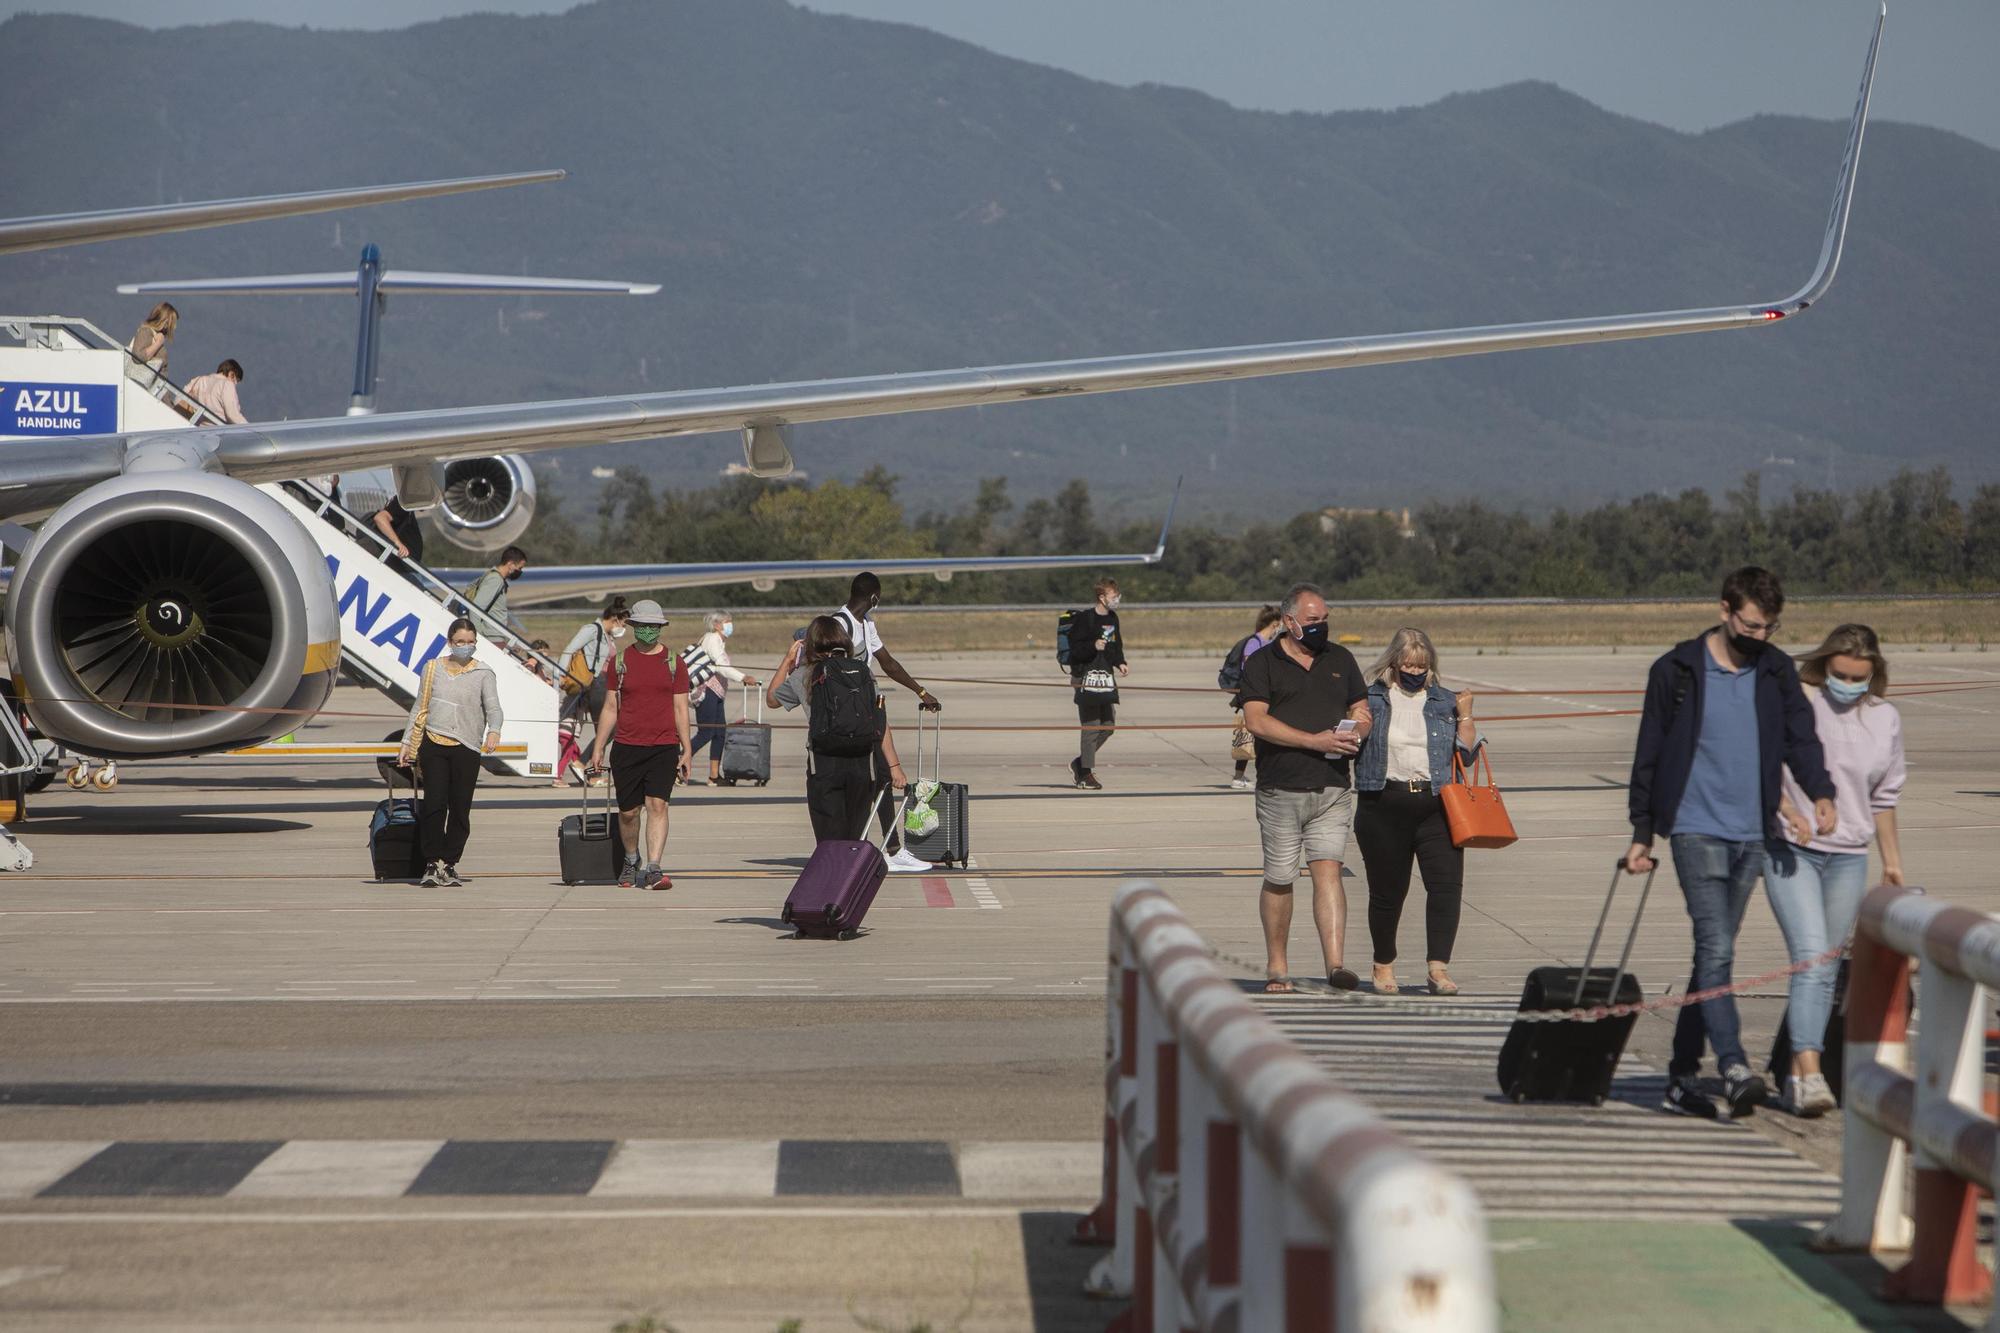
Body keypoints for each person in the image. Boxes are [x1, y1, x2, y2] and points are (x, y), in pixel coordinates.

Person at [1626, 566, 1837, 1120]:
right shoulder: (1676, 671)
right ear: (1724, 611)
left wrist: (1819, 791)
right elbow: (1648, 753)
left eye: (1769, 627)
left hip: (1753, 834)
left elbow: (1800, 736)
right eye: (1750, 625)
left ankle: (1678, 1078)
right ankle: (1736, 1064)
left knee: (1710, 956)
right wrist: (1642, 834)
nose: (1760, 636)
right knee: (1718, 948)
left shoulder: (1774, 671)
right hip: (1696, 829)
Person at [1768, 623, 1906, 1118]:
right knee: (1810, 955)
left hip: (1849, 854)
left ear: (1875, 675)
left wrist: (1891, 862)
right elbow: (1767, 762)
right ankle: (1809, 1072)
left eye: (1859, 678)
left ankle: (1796, 1073)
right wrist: (1786, 806)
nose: (1847, 685)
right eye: (1840, 674)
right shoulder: (1799, 700)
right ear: (1824, 665)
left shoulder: (1884, 718)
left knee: (1824, 964)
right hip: (1792, 847)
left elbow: (1884, 797)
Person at [1239, 582, 1371, 993]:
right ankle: (1277, 965)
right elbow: (1256, 721)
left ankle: (1336, 965)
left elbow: (1361, 707)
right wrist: (1314, 741)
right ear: (1290, 621)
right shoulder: (1262, 662)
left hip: (1333, 788)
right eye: (1313, 620)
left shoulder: (1341, 659)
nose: (1321, 626)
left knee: (1329, 871)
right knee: (1280, 876)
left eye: (1325, 619)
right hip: (1281, 788)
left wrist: (1359, 730)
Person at [1352, 628, 1481, 996]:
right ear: (1393, 662)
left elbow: (1466, 755)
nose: (1414, 671)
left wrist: (1466, 717)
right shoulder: (1371, 699)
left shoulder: (1444, 701)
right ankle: (1383, 963)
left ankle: (1438, 967)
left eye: (1422, 666)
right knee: (1388, 892)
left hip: (1436, 805)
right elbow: (1349, 741)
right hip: (1383, 803)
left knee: (1446, 888)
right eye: (1408, 664)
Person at [832, 573, 941, 874]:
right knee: (867, 779)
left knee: (880, 776)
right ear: (874, 598)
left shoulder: (867, 625)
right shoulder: (839, 625)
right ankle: (866, 847)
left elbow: (887, 663)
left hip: (867, 709)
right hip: (847, 716)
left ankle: (891, 849)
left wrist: (920, 690)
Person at [588, 598, 692, 890]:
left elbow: (681, 708)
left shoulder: (674, 662)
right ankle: (631, 859)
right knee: (629, 812)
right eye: (642, 625)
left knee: (658, 805)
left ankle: (654, 867)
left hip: (663, 746)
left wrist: (686, 748)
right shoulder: (620, 662)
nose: (648, 630)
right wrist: (598, 746)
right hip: (627, 745)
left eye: (653, 626)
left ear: (660, 627)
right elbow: (610, 707)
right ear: (633, 626)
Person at [397, 617, 503, 888]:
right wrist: (407, 742)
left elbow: (493, 708)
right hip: (434, 743)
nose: (465, 647)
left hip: (466, 746)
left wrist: (494, 730)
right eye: (460, 642)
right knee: (434, 804)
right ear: (450, 642)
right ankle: (432, 862)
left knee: (460, 808)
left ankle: (451, 862)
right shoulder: (432, 668)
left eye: (470, 642)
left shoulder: (483, 673)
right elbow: (420, 706)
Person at [766, 616, 888, 842]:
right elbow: (878, 714)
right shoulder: (862, 671)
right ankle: (853, 873)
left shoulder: (805, 674)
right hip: (861, 758)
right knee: (856, 833)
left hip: (824, 760)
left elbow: (772, 700)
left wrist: (788, 660)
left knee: (829, 833)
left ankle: (833, 872)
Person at [553, 598, 628, 787]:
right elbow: (569, 649)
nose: (623, 628)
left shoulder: (606, 636)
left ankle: (589, 769)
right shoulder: (592, 630)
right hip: (596, 684)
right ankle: (587, 767)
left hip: (604, 684)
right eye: (623, 623)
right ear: (614, 619)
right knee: (607, 728)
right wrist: (559, 675)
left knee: (606, 729)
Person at [1066, 577, 1129, 790]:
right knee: (1091, 726)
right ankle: (1085, 774)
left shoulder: (1112, 618)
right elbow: (1076, 649)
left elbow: (1115, 645)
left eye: (1117, 597)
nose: (1117, 600)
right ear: (1102, 598)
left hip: (1104, 676)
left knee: (1109, 725)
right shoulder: (1085, 619)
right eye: (1113, 597)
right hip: (1085, 676)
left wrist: (1120, 662)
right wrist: (1093, 645)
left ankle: (1080, 762)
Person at [689, 610, 761, 786]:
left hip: (718, 691)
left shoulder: (719, 641)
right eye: (726, 622)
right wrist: (743, 677)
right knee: (706, 732)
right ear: (716, 625)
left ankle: (714, 775)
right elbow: (721, 666)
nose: (730, 625)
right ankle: (677, 763)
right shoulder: (712, 639)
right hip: (706, 691)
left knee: (719, 733)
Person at [1227, 605, 1284, 790]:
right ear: (1275, 624)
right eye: (1279, 625)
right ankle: (1238, 776)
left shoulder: (1268, 644)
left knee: (1263, 736)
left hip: (1269, 696)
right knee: (1251, 735)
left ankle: (1257, 774)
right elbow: (1250, 671)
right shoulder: (1254, 643)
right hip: (1255, 696)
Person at [465, 545, 528, 634]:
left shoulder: (498, 579)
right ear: (510, 564)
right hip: (491, 637)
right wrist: (477, 635)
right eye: (519, 568)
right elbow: (476, 609)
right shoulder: (495, 580)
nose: (520, 571)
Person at [127, 301, 177, 396]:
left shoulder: (156, 336)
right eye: (172, 323)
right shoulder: (146, 332)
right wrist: (158, 343)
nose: (173, 328)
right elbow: (138, 356)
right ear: (166, 322)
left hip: (154, 392)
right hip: (143, 389)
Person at [370, 497, 425, 575]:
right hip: (396, 569)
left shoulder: (408, 509)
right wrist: (398, 543)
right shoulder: (404, 503)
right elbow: (380, 518)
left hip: (404, 569)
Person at [184, 359, 248, 424]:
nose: (235, 383)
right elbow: (233, 415)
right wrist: (251, 430)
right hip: (216, 431)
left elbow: (180, 398)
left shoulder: (199, 380)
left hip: (194, 428)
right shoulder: (227, 384)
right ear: (231, 374)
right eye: (236, 380)